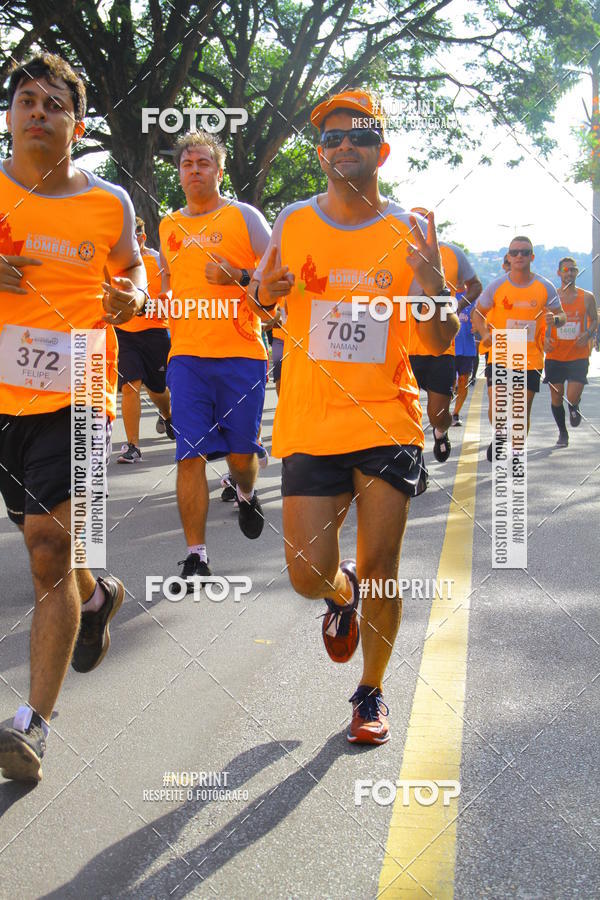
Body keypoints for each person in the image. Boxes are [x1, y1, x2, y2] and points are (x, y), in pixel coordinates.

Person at [249, 89, 458, 745]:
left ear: (381, 151)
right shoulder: (292, 221)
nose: (345, 146)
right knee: (307, 572)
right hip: (311, 418)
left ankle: (370, 693)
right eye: (333, 138)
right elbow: (263, 299)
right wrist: (267, 295)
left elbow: (437, 340)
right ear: (320, 153)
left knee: (382, 566)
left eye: (359, 137)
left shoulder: (409, 233)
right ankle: (341, 598)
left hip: (386, 419)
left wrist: (430, 284)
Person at [0, 54, 146, 782]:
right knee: (52, 548)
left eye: (53, 104)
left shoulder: (108, 202)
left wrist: (135, 298)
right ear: (8, 116)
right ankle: (97, 595)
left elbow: (136, 272)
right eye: (26, 100)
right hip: (3, 400)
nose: (37, 112)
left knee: (47, 544)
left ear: (75, 126)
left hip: (81, 388)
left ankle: (32, 725)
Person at [159, 131, 271, 589]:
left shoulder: (243, 216)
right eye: (187, 164)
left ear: (219, 171)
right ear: (179, 172)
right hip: (186, 357)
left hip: (242, 354)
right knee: (190, 456)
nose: (195, 170)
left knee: (242, 456)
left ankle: (245, 489)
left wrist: (238, 277)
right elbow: (167, 283)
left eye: (204, 163)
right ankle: (195, 555)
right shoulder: (168, 226)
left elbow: (277, 278)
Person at [473, 236, 566, 461]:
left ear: (532, 256)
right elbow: (477, 313)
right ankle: (501, 433)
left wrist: (556, 320)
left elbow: (561, 316)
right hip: (501, 353)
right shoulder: (497, 286)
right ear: (508, 256)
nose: (519, 256)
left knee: (521, 410)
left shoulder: (545, 286)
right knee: (497, 408)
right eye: (514, 252)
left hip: (530, 357)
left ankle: (516, 453)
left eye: (524, 252)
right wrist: (485, 335)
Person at [408, 210, 482, 461]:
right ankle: (413, 459)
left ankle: (441, 432)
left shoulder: (451, 253)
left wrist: (457, 306)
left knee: (437, 413)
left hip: (441, 348)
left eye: (421, 222)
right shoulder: (392, 253)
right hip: (402, 348)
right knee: (404, 413)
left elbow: (476, 285)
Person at [115, 216, 174, 463]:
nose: (133, 241)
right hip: (124, 334)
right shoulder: (116, 261)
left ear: (142, 236)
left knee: (158, 389)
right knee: (130, 386)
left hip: (155, 332)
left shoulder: (157, 258)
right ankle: (133, 447)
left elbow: (170, 287)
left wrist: (163, 300)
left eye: (136, 236)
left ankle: (168, 414)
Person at [544, 257, 597, 446]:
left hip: (578, 355)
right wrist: (545, 339)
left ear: (576, 273)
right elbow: (542, 323)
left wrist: (589, 333)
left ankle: (574, 405)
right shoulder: (551, 298)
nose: (569, 273)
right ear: (559, 273)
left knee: (571, 396)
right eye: (566, 270)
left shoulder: (587, 297)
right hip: (555, 355)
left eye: (573, 270)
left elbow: (595, 320)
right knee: (557, 396)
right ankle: (562, 433)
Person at [452, 289, 478, 425]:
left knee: (463, 381)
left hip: (467, 348)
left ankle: (455, 414)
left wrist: (477, 327)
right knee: (449, 383)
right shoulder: (447, 293)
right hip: (449, 349)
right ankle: (443, 413)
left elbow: (481, 317)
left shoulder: (473, 296)